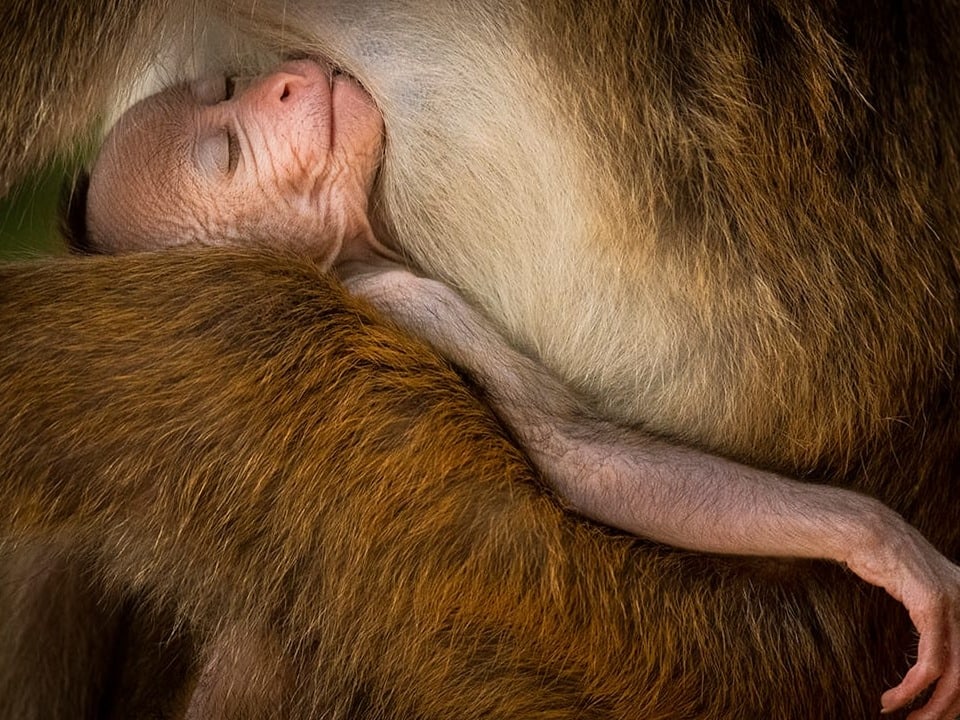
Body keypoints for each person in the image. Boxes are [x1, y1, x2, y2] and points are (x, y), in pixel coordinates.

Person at [65, 58, 960, 707]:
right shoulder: (392, 305)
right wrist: (862, 533)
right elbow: (588, 464)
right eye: (228, 152)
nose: (283, 89)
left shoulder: (376, 263)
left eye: (225, 88)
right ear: (251, 283)